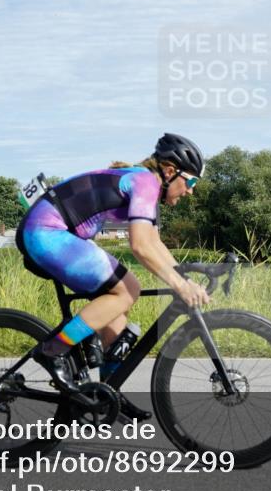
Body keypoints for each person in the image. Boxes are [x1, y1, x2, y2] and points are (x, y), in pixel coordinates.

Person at [16, 133, 211, 419]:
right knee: (126, 290)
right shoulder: (145, 182)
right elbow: (140, 246)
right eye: (190, 182)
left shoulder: (145, 185)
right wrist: (180, 286)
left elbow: (155, 244)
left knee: (120, 305)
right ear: (170, 171)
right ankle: (54, 350)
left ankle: (108, 390)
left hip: (58, 232)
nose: (190, 191)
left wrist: (185, 278)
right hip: (47, 231)